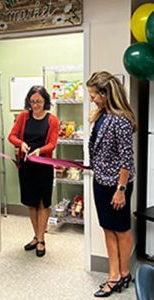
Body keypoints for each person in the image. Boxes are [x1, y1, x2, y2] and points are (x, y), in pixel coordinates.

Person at [86, 71, 136, 297]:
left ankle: (123, 273)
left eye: (95, 94)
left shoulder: (121, 119)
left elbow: (127, 159)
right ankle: (113, 274)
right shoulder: (101, 115)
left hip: (117, 186)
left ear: (107, 94)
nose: (92, 99)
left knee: (122, 231)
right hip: (101, 182)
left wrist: (121, 190)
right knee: (108, 229)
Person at [8, 85, 58, 257]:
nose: (35, 105)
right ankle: (36, 236)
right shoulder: (23, 116)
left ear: (45, 101)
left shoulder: (52, 120)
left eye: (39, 101)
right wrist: (20, 143)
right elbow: (11, 136)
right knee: (31, 202)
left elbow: (52, 143)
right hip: (27, 165)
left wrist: (41, 150)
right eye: (32, 101)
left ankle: (41, 239)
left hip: (44, 165)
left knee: (43, 202)